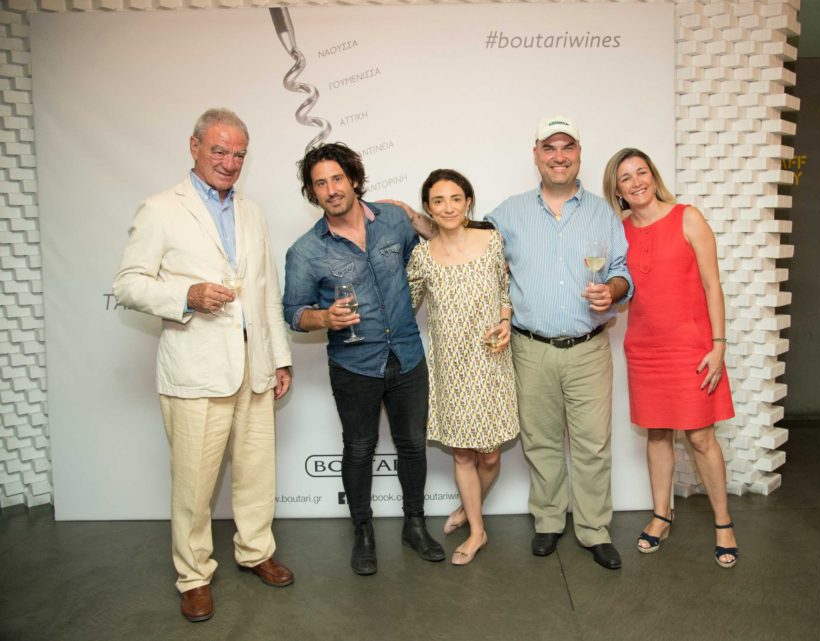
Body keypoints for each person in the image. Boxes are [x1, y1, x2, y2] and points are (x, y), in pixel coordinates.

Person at [113, 108, 294, 623]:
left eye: (239, 154)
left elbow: (266, 291)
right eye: (219, 150)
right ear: (193, 147)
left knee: (257, 473)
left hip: (254, 367)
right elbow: (127, 284)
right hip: (195, 371)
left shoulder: (253, 211)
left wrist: (280, 358)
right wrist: (185, 295)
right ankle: (193, 576)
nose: (230, 162)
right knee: (194, 485)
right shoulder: (159, 209)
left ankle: (255, 551)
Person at [282, 142, 444, 576]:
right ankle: (363, 533)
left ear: (354, 179)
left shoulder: (393, 220)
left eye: (337, 178)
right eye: (321, 184)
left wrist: (413, 213)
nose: (332, 189)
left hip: (407, 355)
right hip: (354, 365)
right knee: (358, 449)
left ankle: (415, 526)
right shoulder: (305, 251)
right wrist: (324, 317)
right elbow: (293, 313)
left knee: (413, 445)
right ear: (313, 193)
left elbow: (438, 247)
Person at [486, 116, 633, 570]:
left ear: (579, 154)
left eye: (567, 147)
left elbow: (622, 273)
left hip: (589, 348)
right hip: (530, 349)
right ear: (536, 155)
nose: (559, 156)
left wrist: (613, 290)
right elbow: (466, 245)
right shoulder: (508, 213)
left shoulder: (603, 213)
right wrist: (418, 221)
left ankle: (594, 529)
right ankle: (549, 521)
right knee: (541, 442)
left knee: (593, 445)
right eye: (549, 147)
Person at [602, 147, 739, 568]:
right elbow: (620, 290)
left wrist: (718, 345)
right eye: (626, 177)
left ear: (653, 176)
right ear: (617, 190)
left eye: (641, 172)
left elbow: (713, 285)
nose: (636, 182)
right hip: (644, 348)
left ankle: (723, 522)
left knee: (700, 437)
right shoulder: (618, 231)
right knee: (658, 434)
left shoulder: (688, 217)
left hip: (691, 347)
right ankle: (662, 515)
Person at [406, 169, 520, 566]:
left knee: (490, 456)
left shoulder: (492, 242)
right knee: (462, 455)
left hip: (490, 360)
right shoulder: (422, 257)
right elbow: (406, 305)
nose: (448, 207)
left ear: (468, 201)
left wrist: (505, 321)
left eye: (456, 198)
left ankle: (467, 508)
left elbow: (506, 292)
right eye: (438, 201)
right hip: (450, 368)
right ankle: (477, 531)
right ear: (428, 208)